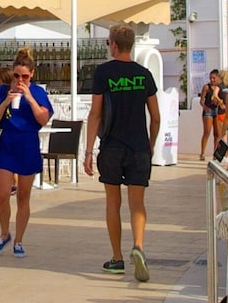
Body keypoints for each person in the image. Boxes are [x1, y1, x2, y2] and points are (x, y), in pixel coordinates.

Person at [81, 25, 160, 282]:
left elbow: (95, 113)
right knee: (137, 203)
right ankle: (138, 245)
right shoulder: (144, 75)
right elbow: (156, 117)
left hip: (112, 147)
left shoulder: (104, 73)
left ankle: (117, 258)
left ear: (113, 44)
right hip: (139, 148)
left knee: (112, 202)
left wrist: (88, 151)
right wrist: (150, 144)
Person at [0, 48, 50, 259]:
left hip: (28, 143)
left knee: (24, 196)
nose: (20, 79)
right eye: (16, 75)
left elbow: (43, 118)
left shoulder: (39, 92)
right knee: (3, 194)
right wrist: (7, 98)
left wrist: (30, 98)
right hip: (8, 142)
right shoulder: (4, 90)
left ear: (31, 74)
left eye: (24, 76)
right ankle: (4, 233)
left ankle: (19, 241)